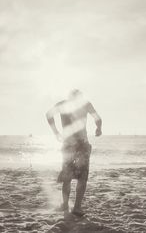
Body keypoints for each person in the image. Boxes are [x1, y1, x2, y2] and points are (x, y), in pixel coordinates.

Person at [45, 89, 102, 217]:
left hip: (76, 144)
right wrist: (98, 128)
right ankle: (72, 206)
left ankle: (71, 206)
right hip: (76, 144)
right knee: (74, 176)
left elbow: (48, 115)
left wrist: (56, 132)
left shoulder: (69, 104)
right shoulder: (81, 104)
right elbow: (98, 119)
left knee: (74, 176)